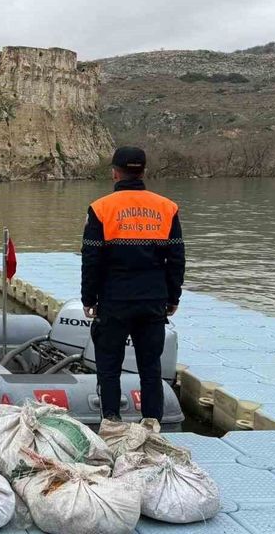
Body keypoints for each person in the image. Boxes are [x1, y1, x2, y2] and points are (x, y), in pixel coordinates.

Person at [81, 146, 185, 422]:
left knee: (108, 367)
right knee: (151, 367)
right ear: (144, 171)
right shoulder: (167, 208)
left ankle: (112, 423)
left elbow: (91, 259)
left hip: (114, 300)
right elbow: (176, 258)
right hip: (153, 300)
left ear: (115, 173)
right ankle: (152, 425)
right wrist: (173, 297)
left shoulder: (101, 209)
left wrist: (88, 298)